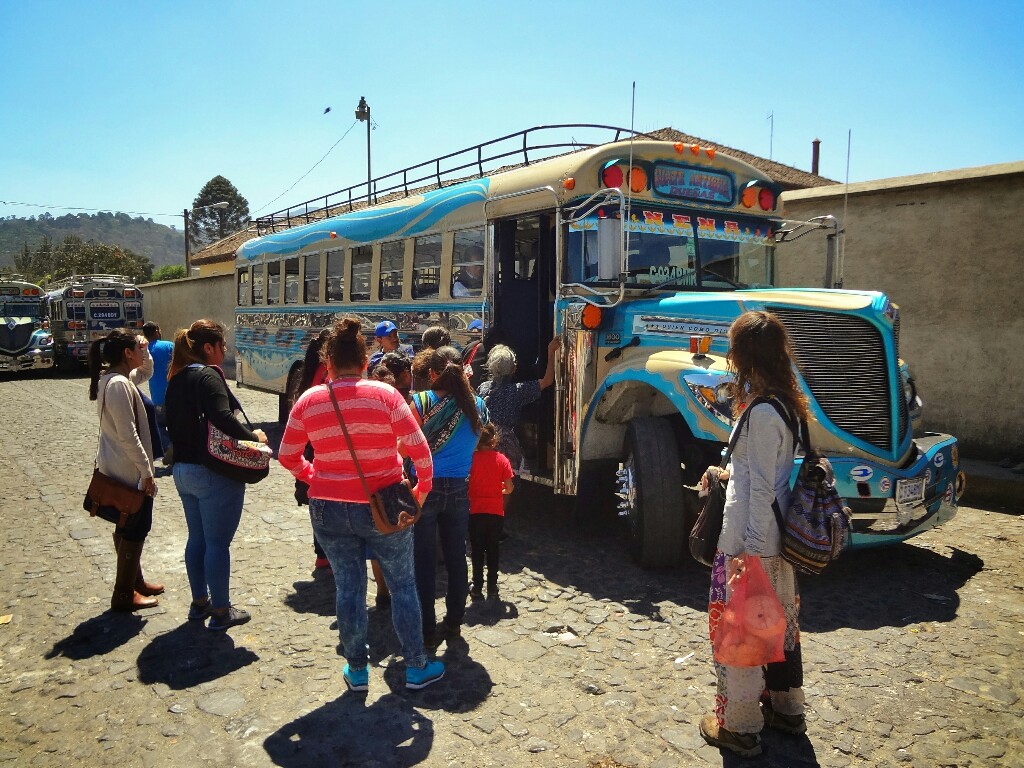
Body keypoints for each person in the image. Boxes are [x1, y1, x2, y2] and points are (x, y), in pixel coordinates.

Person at [279, 317, 445, 692]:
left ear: (328, 362)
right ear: (365, 359)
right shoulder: (385, 396)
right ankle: (416, 666)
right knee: (403, 586)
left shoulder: (308, 401)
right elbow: (420, 452)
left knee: (349, 589)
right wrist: (421, 491)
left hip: (328, 508)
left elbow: (288, 456)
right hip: (384, 505)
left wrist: (314, 476)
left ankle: (357, 670)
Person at [697, 310, 809, 758]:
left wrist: (750, 555)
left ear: (745, 355)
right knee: (779, 627)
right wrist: (728, 472)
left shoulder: (762, 412)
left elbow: (761, 487)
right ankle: (786, 709)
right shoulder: (785, 402)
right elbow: (767, 472)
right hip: (774, 535)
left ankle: (740, 727)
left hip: (751, 538)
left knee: (741, 629)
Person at [165, 320, 269, 631]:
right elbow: (223, 417)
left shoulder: (176, 377)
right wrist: (254, 438)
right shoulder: (208, 376)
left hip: (182, 471)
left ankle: (200, 602)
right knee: (217, 543)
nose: (225, 351)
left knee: (197, 539)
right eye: (222, 345)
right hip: (212, 472)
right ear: (208, 347)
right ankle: (221, 611)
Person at [411, 346, 488, 649]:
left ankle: (426, 630)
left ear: (432, 374)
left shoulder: (420, 402)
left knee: (424, 561)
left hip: (424, 488)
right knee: (457, 557)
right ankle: (454, 622)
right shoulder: (477, 405)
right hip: (458, 488)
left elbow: (407, 445)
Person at [87, 328, 161, 612]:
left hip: (121, 462)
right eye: (137, 349)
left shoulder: (118, 379)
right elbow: (127, 435)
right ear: (127, 353)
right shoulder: (118, 384)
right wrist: (146, 471)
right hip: (127, 467)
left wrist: (145, 350)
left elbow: (147, 371)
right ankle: (123, 594)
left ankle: (134, 582)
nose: (142, 352)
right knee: (135, 526)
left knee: (127, 523)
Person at [476, 337, 559, 473]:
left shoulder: (483, 388)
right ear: (514, 368)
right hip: (506, 445)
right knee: (509, 477)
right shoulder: (517, 390)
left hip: (483, 443)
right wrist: (551, 351)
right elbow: (548, 380)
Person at [290, 330, 331, 572]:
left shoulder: (307, 376)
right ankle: (328, 553)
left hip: (310, 445)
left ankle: (321, 554)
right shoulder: (328, 375)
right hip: (325, 444)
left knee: (317, 499)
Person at [468, 423, 514, 602]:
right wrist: (499, 489)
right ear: (494, 441)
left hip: (476, 511)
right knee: (493, 549)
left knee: (477, 550)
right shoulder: (502, 460)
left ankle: (477, 585)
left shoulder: (471, 459)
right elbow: (509, 488)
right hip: (495, 512)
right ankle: (492, 586)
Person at [142, 321, 174, 461]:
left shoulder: (144, 350)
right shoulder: (169, 346)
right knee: (175, 425)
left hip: (157, 396)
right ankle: (177, 449)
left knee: (157, 426)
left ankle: (168, 446)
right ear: (156, 331)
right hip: (174, 395)